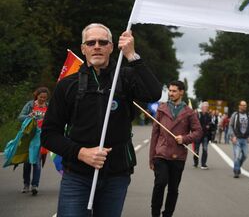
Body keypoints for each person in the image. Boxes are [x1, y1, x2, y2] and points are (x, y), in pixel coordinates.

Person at [41, 23, 162, 216]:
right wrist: (80, 153)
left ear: (111, 47)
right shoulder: (67, 86)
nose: (96, 46)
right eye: (91, 42)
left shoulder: (125, 77)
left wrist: (132, 56)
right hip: (77, 176)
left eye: (102, 42)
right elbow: (48, 135)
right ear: (83, 48)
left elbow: (154, 93)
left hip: (116, 176)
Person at [149, 80, 202, 217]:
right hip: (161, 154)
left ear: (181, 92)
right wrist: (151, 157)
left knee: (173, 189)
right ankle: (155, 214)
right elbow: (155, 133)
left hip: (178, 156)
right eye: (169, 91)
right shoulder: (162, 109)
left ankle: (167, 214)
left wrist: (184, 139)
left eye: (174, 91)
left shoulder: (189, 112)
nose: (171, 94)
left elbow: (198, 132)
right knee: (160, 183)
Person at [18, 86, 49, 195]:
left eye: (45, 98)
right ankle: (26, 184)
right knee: (27, 162)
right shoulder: (30, 105)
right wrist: (28, 116)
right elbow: (20, 117)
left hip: (41, 138)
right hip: (29, 137)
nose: (43, 99)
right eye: (41, 97)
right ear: (37, 95)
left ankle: (35, 185)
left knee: (37, 162)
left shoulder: (48, 107)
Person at [229, 100, 249, 178]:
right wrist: (233, 136)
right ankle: (236, 171)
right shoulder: (235, 115)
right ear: (239, 106)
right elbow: (231, 125)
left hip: (245, 139)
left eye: (245, 105)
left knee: (245, 155)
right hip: (237, 138)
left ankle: (238, 166)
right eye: (242, 105)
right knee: (237, 156)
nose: (244, 107)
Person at [193, 102, 212, 169]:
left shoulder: (209, 115)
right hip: (198, 135)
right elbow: (195, 124)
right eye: (205, 107)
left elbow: (210, 123)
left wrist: (209, 126)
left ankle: (203, 164)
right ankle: (195, 162)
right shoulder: (198, 115)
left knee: (205, 149)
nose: (206, 108)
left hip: (205, 135)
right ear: (202, 107)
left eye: (207, 107)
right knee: (196, 150)